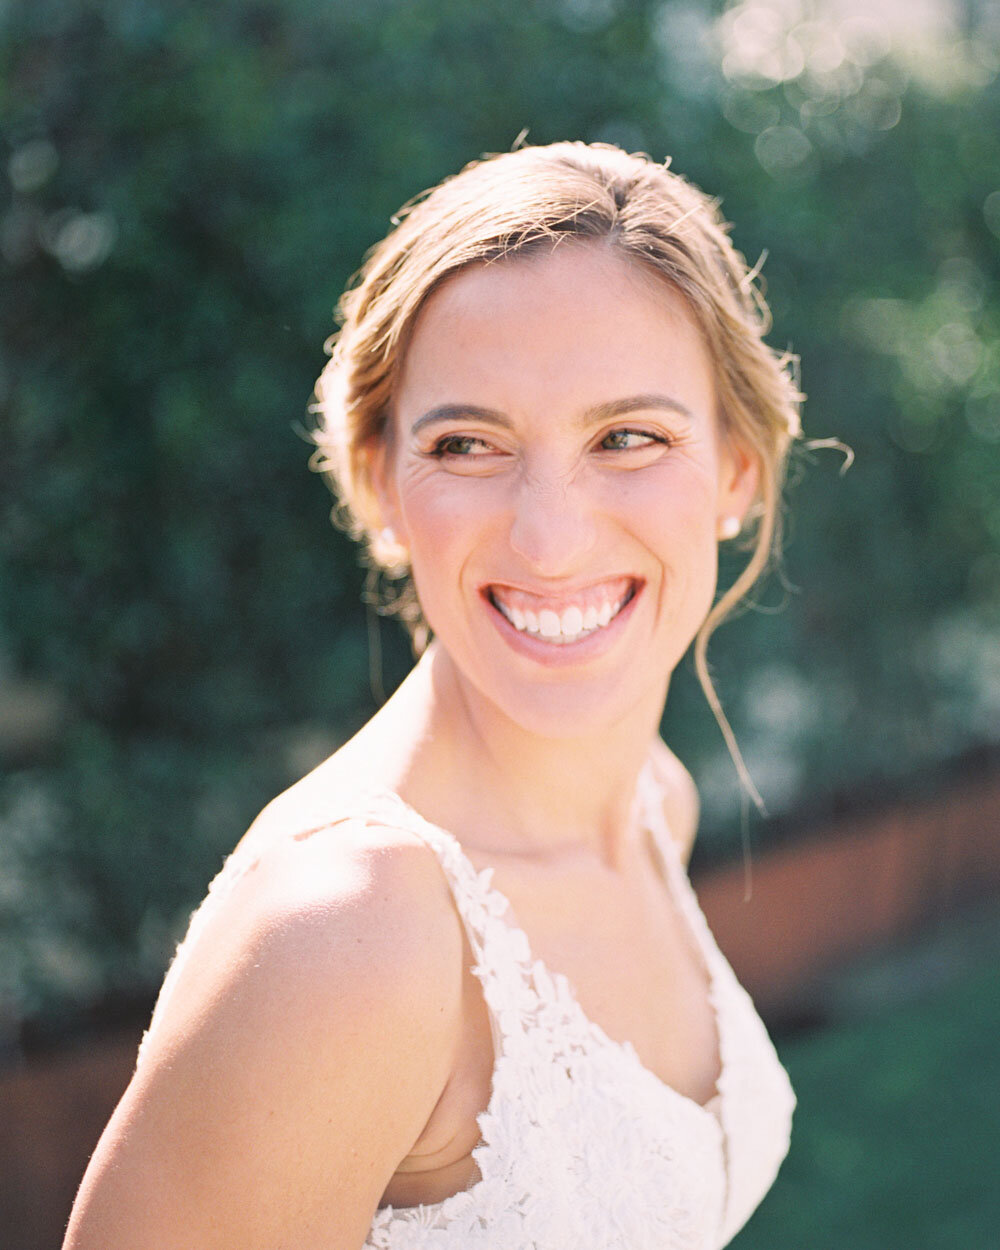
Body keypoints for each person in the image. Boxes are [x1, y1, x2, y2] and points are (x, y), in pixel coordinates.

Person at [64, 141, 801, 1250]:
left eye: (628, 436)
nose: (549, 537)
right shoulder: (350, 929)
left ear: (737, 469)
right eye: (466, 443)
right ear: (379, 485)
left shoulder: (656, 800)